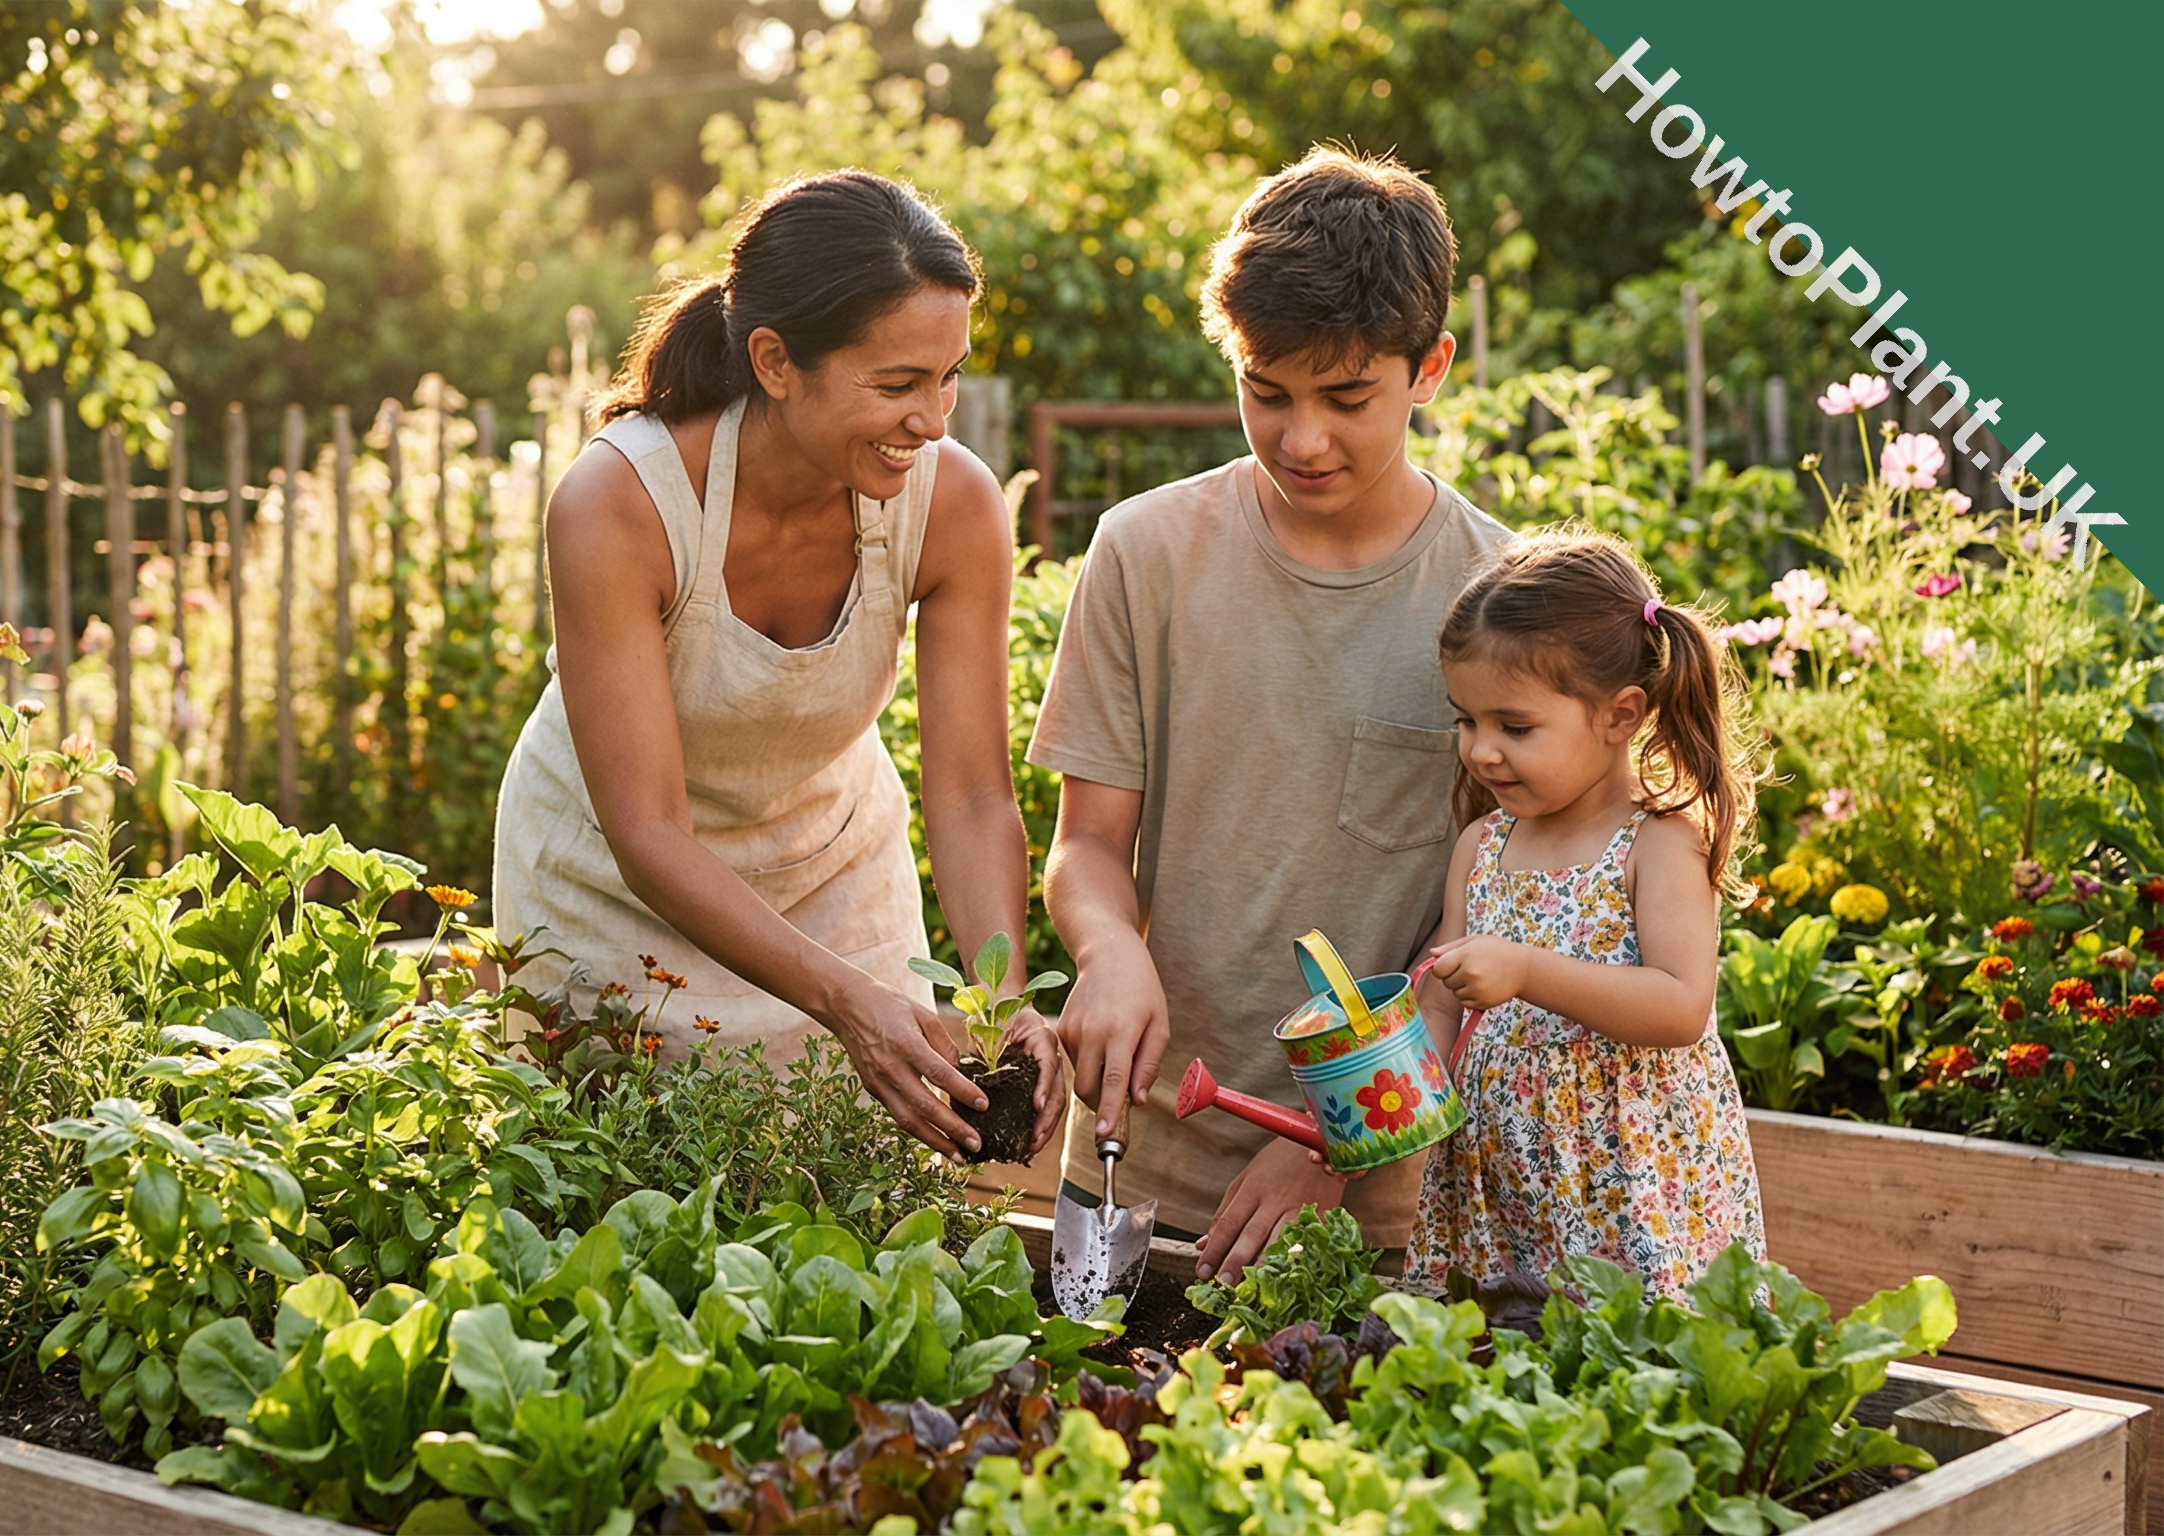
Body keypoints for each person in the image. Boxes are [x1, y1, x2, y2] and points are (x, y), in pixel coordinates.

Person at [492, 170, 1062, 1162]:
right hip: (612, 889)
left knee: (851, 1201)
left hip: (831, 870)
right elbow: (647, 831)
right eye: (896, 385)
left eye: (947, 378)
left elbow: (970, 793)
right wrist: (851, 1003)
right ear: (774, 361)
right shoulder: (621, 504)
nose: (933, 420)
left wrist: (997, 1001)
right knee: (618, 1203)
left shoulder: (954, 506)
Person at [1031, 145, 1512, 1281]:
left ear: (1430, 367)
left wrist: (1335, 1152)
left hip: (1376, 1203)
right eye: (1266, 392)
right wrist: (1106, 950)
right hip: (1129, 1166)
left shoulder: (1499, 603)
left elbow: (1485, 935)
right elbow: (1087, 847)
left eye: (1346, 399)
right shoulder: (1144, 554)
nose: (1302, 439)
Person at [1403, 529, 1766, 1299]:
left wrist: (1527, 970)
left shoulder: (1658, 840)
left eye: (1515, 726)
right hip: (1505, 1185)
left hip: (1628, 1184)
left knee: (1632, 1373)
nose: (1481, 751)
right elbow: (1438, 995)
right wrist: (1391, 1099)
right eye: (1467, 721)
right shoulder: (1484, 844)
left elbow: (1679, 1004)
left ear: (1620, 714)